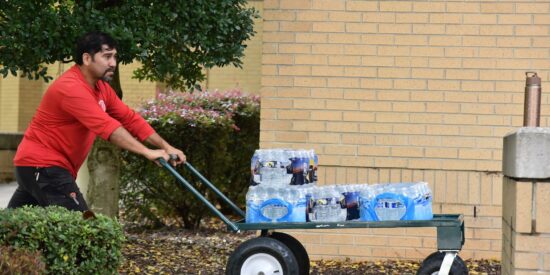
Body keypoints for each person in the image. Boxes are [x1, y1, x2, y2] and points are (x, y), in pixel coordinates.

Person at [7, 31, 186, 212]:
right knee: (84, 228)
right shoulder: (71, 88)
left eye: (115, 57)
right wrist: (147, 152)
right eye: (107, 56)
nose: (113, 63)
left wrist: (166, 146)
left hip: (35, 167)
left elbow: (130, 119)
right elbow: (108, 127)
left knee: (13, 230)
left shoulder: (101, 88)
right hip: (44, 167)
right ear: (87, 58)